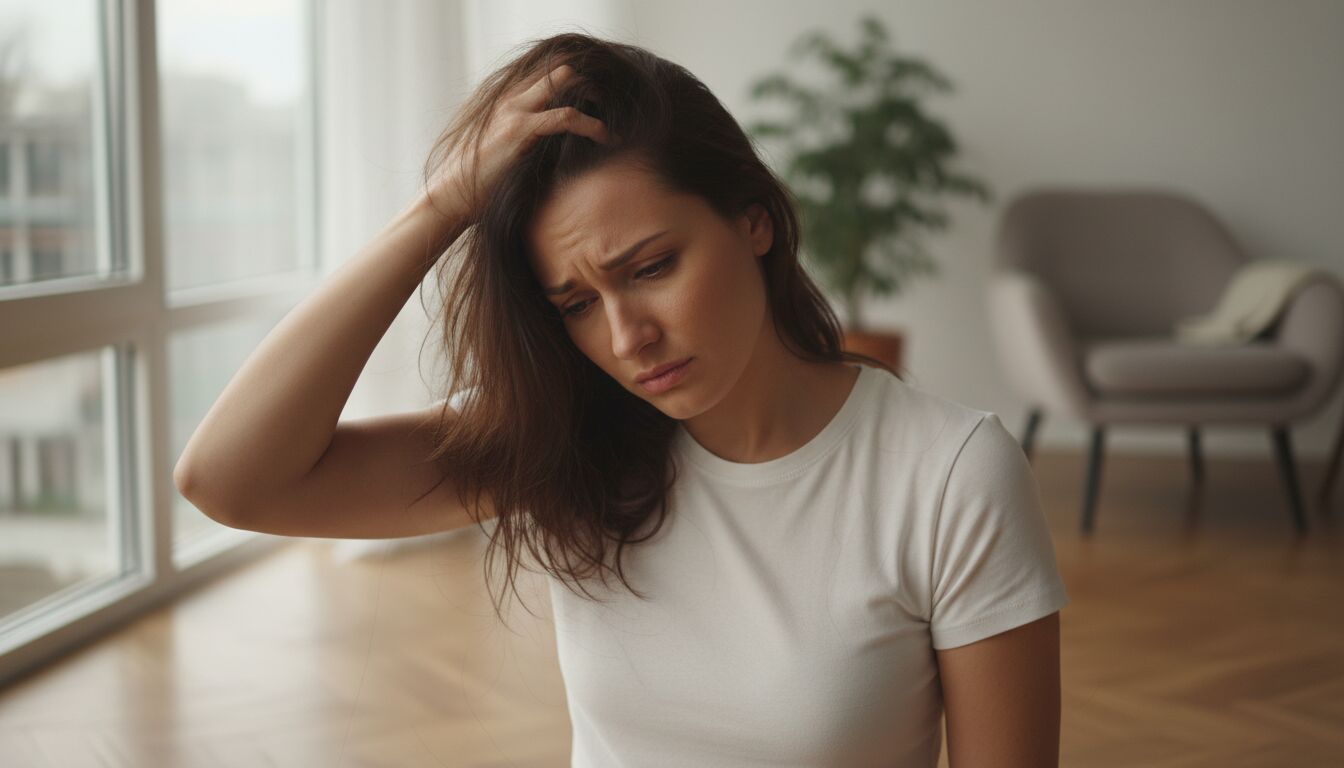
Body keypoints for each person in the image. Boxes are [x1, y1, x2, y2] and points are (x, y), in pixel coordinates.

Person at [174, 31, 1069, 768]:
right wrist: (443, 208)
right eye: (575, 304)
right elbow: (230, 481)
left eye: (651, 268)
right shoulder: (571, 442)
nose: (626, 335)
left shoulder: (947, 474)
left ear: (753, 220)